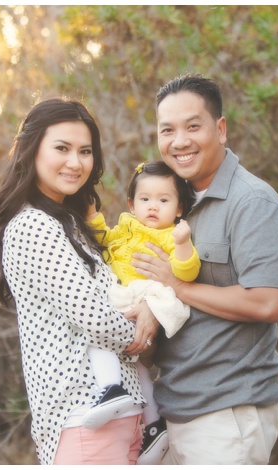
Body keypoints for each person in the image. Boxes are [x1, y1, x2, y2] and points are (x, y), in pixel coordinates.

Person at [132, 74, 278, 465]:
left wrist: (177, 286)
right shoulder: (171, 205)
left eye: (193, 126)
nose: (179, 141)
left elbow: (268, 303)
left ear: (220, 129)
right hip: (174, 409)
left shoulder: (252, 202)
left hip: (227, 414)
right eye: (167, 129)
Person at [0, 98, 159, 465]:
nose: (75, 162)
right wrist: (142, 330)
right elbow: (95, 316)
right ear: (31, 150)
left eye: (85, 151)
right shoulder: (34, 226)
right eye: (62, 148)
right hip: (83, 413)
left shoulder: (69, 224)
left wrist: (149, 309)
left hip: (122, 414)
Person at [84, 160, 200, 464]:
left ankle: (110, 389)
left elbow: (188, 272)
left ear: (178, 208)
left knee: (98, 335)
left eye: (163, 200)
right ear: (131, 204)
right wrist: (94, 219)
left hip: (151, 295)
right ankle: (154, 425)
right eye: (145, 199)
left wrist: (184, 243)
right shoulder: (125, 227)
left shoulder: (172, 235)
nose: (153, 207)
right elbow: (104, 243)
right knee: (138, 366)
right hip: (127, 296)